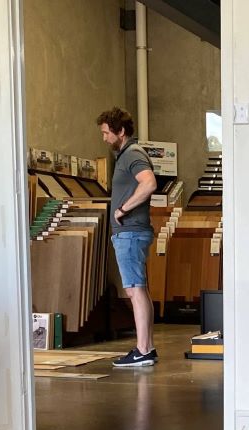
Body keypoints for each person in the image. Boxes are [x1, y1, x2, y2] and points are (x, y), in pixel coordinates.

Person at [97, 107, 159, 367]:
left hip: (131, 232)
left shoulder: (132, 154)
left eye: (106, 133)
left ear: (120, 131)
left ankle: (143, 349)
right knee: (138, 289)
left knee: (134, 290)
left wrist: (123, 209)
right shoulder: (126, 155)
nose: (104, 138)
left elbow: (149, 183)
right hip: (130, 232)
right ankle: (147, 348)